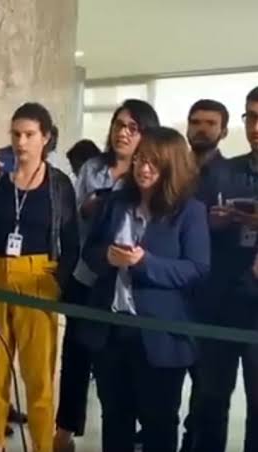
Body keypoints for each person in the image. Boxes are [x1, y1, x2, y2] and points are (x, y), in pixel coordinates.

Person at [0, 102, 79, 452]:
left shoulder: (58, 184)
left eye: (29, 135)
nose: (21, 142)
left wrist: (58, 282)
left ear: (45, 138)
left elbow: (72, 240)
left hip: (38, 277)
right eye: (16, 134)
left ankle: (41, 446)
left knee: (38, 377)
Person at [76, 127, 210, 452]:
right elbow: (90, 251)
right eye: (139, 160)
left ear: (171, 166)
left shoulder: (189, 211)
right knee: (115, 418)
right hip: (111, 330)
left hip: (160, 335)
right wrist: (107, 257)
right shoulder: (115, 203)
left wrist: (145, 263)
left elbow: (197, 268)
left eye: (152, 162)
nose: (143, 168)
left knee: (159, 424)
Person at [54, 99, 160, 452]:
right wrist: (87, 209)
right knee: (75, 354)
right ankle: (66, 428)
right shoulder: (93, 167)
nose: (123, 133)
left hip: (129, 284)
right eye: (118, 124)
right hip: (86, 274)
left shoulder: (150, 171)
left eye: (132, 127)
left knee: (121, 366)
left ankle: (134, 430)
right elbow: (71, 220)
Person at [192, 87, 258, 452]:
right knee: (211, 399)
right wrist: (212, 223)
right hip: (222, 302)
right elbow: (192, 227)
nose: (256, 127)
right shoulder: (223, 172)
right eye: (252, 117)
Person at [179, 98, 230, 452]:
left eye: (210, 123)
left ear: (223, 131)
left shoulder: (231, 175)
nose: (201, 129)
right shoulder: (174, 170)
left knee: (210, 389)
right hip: (172, 290)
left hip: (215, 295)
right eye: (195, 122)